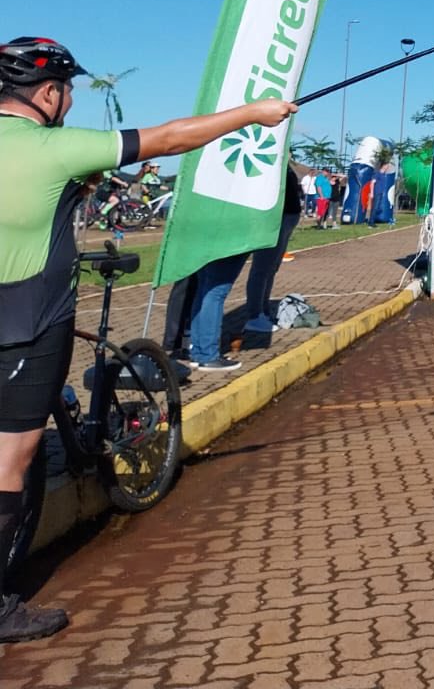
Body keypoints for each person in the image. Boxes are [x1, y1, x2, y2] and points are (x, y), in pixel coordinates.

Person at [0, 36, 296, 642]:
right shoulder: (57, 147)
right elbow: (170, 138)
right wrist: (253, 112)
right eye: (68, 91)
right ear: (49, 93)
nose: (70, 102)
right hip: (28, 327)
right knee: (11, 461)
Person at [242, 172, 304, 336]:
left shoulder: (285, 166)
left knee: (271, 269)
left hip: (288, 217)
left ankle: (263, 310)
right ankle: (254, 314)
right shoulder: (270, 166)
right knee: (262, 269)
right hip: (275, 219)